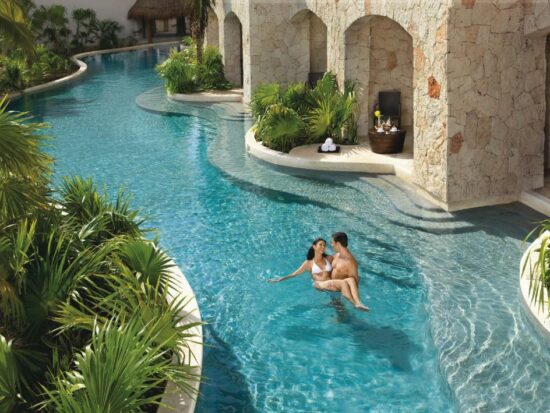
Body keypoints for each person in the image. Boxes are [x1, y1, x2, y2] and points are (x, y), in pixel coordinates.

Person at [268, 238, 369, 311]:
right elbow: (294, 274)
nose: (323, 247)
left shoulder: (329, 258)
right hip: (319, 285)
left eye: (324, 245)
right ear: (314, 247)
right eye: (320, 244)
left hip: (331, 283)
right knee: (343, 284)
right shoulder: (309, 263)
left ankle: (353, 305)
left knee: (350, 281)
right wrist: (279, 279)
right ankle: (356, 304)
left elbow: (340, 264)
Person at [314, 232, 369, 311]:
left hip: (337, 289)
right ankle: (355, 303)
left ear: (338, 243)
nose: (331, 245)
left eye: (332, 242)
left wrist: (348, 295)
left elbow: (355, 282)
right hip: (326, 285)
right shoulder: (337, 255)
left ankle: (357, 303)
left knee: (351, 280)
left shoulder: (350, 262)